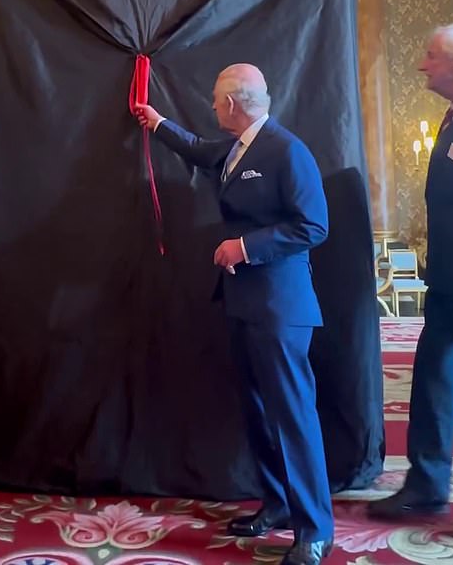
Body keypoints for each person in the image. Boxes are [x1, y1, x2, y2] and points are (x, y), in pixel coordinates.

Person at [135, 64, 333, 565]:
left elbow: (314, 224)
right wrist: (157, 123)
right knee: (258, 411)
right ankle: (279, 503)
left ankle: (315, 529)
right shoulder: (236, 147)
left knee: (293, 417)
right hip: (245, 305)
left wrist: (244, 246)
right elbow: (199, 150)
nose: (212, 107)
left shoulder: (286, 150)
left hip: (279, 308)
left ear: (232, 105)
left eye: (216, 100)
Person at [368, 23, 453, 544]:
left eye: (431, 57)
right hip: (449, 284)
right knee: (432, 383)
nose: (421, 64)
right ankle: (426, 485)